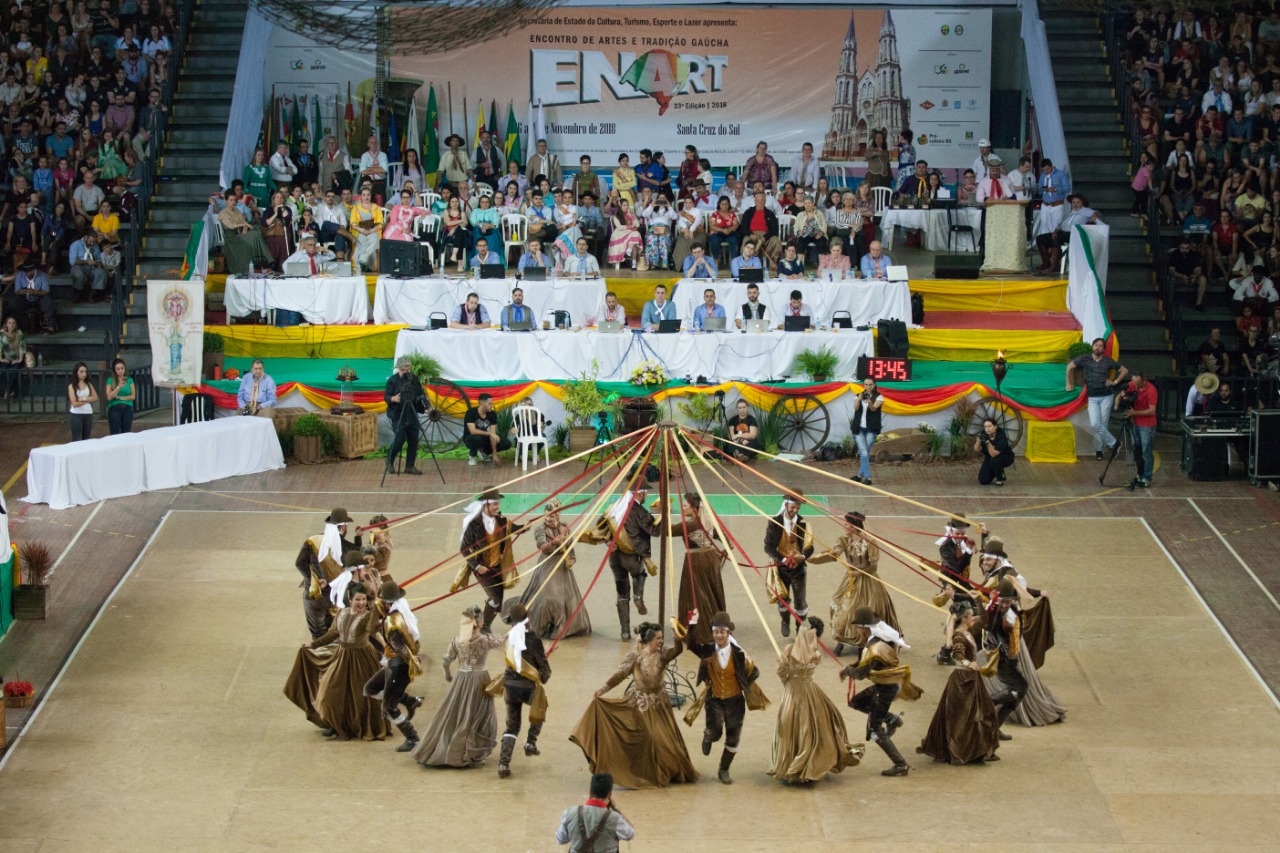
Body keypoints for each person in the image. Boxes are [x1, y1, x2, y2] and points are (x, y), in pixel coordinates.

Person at [570, 617, 698, 789]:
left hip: (660, 705)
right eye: (658, 638)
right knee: (651, 739)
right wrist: (603, 689)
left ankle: (668, 770)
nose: (661, 641)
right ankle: (648, 773)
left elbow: (678, 650)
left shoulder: (663, 654)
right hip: (641, 706)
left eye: (662, 638)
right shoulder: (635, 658)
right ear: (649, 640)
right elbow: (619, 675)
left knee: (667, 744)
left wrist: (677, 636)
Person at [770, 616, 862, 784]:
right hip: (810, 691)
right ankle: (809, 766)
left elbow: (782, 672)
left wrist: (789, 686)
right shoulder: (816, 653)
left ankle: (792, 766)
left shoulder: (790, 650)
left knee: (790, 727)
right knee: (816, 727)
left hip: (792, 692)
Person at [414, 605, 505, 768]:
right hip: (480, 680)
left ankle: (448, 748)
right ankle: (473, 753)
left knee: (454, 713)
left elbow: (446, 661)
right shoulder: (486, 640)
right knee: (479, 715)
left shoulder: (457, 641)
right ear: (481, 622)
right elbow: (503, 638)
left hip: (461, 678)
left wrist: (448, 675)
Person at [682, 609, 766, 784]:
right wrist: (693, 623)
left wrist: (743, 683)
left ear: (729, 633)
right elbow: (690, 644)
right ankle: (709, 736)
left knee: (733, 737)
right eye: (716, 632)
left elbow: (755, 671)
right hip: (714, 700)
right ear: (712, 633)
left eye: (722, 632)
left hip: (735, 702)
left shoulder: (739, 653)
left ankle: (724, 769)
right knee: (716, 730)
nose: (719, 635)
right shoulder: (706, 651)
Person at [916, 600, 1001, 765]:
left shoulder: (968, 631)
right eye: (970, 615)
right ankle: (966, 750)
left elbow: (984, 621)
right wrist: (968, 663)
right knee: (962, 718)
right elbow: (957, 654)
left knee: (982, 712)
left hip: (971, 679)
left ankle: (978, 749)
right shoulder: (959, 635)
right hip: (963, 680)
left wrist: (978, 600)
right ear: (964, 619)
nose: (973, 618)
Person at [301, 582, 388, 741]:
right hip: (342, 655)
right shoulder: (341, 613)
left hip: (363, 658)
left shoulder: (368, 616)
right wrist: (313, 644)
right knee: (330, 690)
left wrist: (387, 647)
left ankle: (363, 727)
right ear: (350, 600)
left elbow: (374, 633)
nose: (362, 603)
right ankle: (335, 724)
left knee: (360, 695)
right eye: (358, 600)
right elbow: (333, 633)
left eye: (363, 600)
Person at [839, 606, 920, 776]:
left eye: (858, 628)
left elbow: (861, 673)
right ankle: (891, 719)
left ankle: (900, 765)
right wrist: (850, 667)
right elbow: (863, 664)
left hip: (884, 689)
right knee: (856, 701)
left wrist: (848, 671)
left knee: (875, 730)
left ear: (864, 628)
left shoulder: (873, 648)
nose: (857, 630)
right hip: (885, 685)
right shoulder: (881, 640)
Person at [821, 511, 899, 652]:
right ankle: (842, 639)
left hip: (867, 580)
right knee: (840, 605)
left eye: (846, 523)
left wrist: (859, 572)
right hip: (850, 579)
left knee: (867, 609)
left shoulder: (869, 541)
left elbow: (874, 565)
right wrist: (833, 553)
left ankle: (865, 641)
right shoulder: (844, 539)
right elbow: (837, 550)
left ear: (854, 525)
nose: (844, 525)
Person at [361, 581, 424, 752]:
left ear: (385, 601)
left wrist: (410, 660)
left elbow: (398, 646)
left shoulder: (391, 621)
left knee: (389, 707)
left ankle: (413, 739)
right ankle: (409, 701)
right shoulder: (399, 613)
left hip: (398, 666)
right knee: (370, 688)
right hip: (393, 664)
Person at [517, 499, 592, 639]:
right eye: (546, 515)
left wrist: (572, 559)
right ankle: (540, 627)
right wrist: (553, 542)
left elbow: (570, 545)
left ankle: (560, 628)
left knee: (568, 598)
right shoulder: (540, 529)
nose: (548, 518)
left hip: (563, 566)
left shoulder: (565, 527)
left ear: (558, 516)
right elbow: (542, 546)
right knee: (548, 597)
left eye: (551, 516)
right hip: (548, 563)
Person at [458, 489, 528, 633]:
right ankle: (484, 626)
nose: (498, 507)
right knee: (495, 599)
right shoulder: (474, 525)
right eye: (495, 504)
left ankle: (481, 620)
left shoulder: (502, 521)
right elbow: (464, 548)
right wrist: (477, 566)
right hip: (482, 569)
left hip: (498, 567)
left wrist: (525, 527)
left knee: (499, 603)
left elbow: (514, 529)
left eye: (498, 504)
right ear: (486, 505)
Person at [600, 478, 661, 640]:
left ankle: (625, 631)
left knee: (621, 593)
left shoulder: (613, 507)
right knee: (639, 574)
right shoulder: (639, 511)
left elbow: (600, 525)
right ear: (640, 494)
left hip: (614, 557)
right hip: (631, 557)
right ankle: (638, 597)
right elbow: (655, 531)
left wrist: (608, 542)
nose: (647, 495)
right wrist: (660, 515)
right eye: (646, 492)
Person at [496, 602, 552, 779]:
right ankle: (530, 742)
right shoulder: (534, 640)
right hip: (528, 688)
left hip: (510, 686)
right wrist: (543, 676)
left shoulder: (510, 639)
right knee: (541, 706)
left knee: (512, 726)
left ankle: (503, 763)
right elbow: (544, 671)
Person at [293, 508, 361, 639]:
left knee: (318, 634)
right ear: (342, 527)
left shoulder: (313, 542)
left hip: (315, 596)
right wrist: (358, 538)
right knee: (335, 632)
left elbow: (299, 563)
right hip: (336, 597)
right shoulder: (347, 546)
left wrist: (314, 581)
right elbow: (357, 557)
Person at [1068, 337, 1129, 459]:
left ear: (1104, 349)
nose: (1098, 347)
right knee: (1095, 423)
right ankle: (1114, 444)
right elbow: (1070, 366)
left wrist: (1115, 381)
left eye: (1101, 346)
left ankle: (1099, 451)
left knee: (1103, 424)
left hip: (1106, 396)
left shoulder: (1107, 361)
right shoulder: (1085, 358)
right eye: (1096, 345)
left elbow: (1124, 370)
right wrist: (1068, 383)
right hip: (1092, 397)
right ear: (1093, 346)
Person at [764, 491, 814, 636]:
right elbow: (768, 547)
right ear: (785, 505)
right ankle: (785, 621)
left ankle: (800, 628)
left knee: (800, 601)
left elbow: (810, 547)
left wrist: (802, 557)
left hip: (799, 568)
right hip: (780, 568)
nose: (795, 510)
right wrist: (784, 559)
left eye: (798, 508)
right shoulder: (774, 523)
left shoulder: (804, 523)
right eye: (793, 507)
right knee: (782, 599)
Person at [984, 579, 1028, 741]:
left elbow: (1019, 630)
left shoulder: (1014, 611)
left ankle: (995, 726)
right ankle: (987, 702)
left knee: (1017, 692)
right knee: (1020, 688)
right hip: (1000, 659)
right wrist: (993, 605)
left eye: (1007, 601)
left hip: (1011, 658)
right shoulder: (994, 612)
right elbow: (989, 625)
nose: (1005, 605)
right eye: (1002, 601)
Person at [554, 773, 635, 851]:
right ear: (610, 795)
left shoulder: (570, 813)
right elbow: (630, 834)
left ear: (590, 792)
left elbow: (561, 839)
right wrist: (616, 809)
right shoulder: (615, 819)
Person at [384, 355, 426, 475]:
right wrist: (393, 398)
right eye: (404, 370)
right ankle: (390, 460)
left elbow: (420, 393)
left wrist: (422, 402)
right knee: (399, 439)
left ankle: (409, 466)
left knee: (413, 440)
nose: (407, 372)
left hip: (412, 412)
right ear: (398, 369)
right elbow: (386, 396)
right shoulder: (392, 380)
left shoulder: (414, 379)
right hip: (398, 413)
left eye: (408, 370)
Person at [1121, 371, 1158, 488]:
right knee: (1137, 450)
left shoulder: (1151, 390)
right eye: (1134, 383)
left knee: (1146, 452)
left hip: (1147, 425)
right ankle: (1140, 473)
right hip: (1135, 424)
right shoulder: (1133, 384)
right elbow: (1123, 393)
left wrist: (1134, 412)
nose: (1135, 386)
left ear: (1144, 379)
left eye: (1138, 384)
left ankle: (1147, 477)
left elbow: (1152, 410)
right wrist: (1118, 399)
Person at [851, 377, 884, 484]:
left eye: (870, 385)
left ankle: (860, 475)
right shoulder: (858, 395)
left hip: (871, 428)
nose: (868, 387)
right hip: (859, 428)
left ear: (874, 385)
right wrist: (857, 400)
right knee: (864, 453)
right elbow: (855, 409)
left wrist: (869, 402)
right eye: (866, 385)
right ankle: (868, 477)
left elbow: (874, 409)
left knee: (865, 453)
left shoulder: (879, 397)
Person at [5, 262, 56, 331]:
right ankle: (13, 326)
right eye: (26, 272)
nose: (27, 273)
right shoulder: (20, 275)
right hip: (25, 299)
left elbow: (46, 291)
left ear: (33, 270)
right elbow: (17, 291)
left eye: (29, 271)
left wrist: (35, 291)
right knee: (13, 302)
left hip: (38, 299)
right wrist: (22, 291)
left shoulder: (42, 275)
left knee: (48, 301)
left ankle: (51, 326)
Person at [463, 392, 512, 464]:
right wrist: (490, 433)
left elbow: (493, 433)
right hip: (470, 438)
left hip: (485, 439)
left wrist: (494, 454)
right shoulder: (471, 413)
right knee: (477, 438)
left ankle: (484, 453)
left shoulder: (492, 414)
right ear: (482, 403)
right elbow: (473, 431)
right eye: (490, 404)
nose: (492, 406)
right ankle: (472, 456)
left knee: (506, 443)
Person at [974, 417, 1015, 486]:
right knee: (983, 480)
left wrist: (988, 443)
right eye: (985, 427)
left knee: (994, 461)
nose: (987, 428)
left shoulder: (1001, 436)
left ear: (995, 426)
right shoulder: (983, 433)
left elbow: (994, 454)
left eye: (989, 426)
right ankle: (997, 471)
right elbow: (977, 450)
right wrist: (978, 441)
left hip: (1005, 457)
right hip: (990, 457)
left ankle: (1000, 478)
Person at [68, 231, 107, 301]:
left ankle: (92, 294)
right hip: (78, 266)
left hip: (92, 267)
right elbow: (73, 261)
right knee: (78, 274)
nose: (92, 243)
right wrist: (86, 261)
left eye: (93, 242)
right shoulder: (76, 244)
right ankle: (78, 293)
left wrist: (99, 263)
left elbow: (98, 258)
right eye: (90, 241)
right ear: (86, 237)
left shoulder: (95, 245)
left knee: (101, 273)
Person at [606, 198, 643, 269]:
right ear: (620, 206)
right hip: (620, 234)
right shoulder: (616, 216)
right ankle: (633, 263)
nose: (626, 207)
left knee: (635, 235)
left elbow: (637, 225)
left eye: (627, 205)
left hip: (631, 233)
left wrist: (631, 215)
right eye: (624, 205)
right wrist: (630, 226)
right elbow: (619, 227)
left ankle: (629, 251)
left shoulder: (631, 215)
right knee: (635, 236)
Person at [66, 361, 97, 440]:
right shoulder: (72, 386)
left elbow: (95, 397)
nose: (84, 374)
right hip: (76, 414)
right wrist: (88, 400)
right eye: (81, 371)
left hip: (88, 413)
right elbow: (74, 403)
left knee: (86, 438)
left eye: (85, 372)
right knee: (76, 438)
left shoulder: (88, 384)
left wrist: (83, 399)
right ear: (76, 372)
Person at [103, 356, 134, 434]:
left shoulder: (129, 380)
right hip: (115, 407)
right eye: (118, 369)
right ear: (114, 370)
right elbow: (109, 397)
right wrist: (118, 387)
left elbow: (133, 396)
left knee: (126, 433)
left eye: (122, 368)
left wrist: (120, 397)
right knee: (115, 433)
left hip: (127, 407)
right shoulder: (110, 380)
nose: (120, 371)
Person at [0, 316, 26, 399]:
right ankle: (12, 390)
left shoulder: (19, 333)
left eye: (13, 323)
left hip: (17, 358)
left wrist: (20, 359)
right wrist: (1, 358)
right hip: (6, 357)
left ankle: (8, 390)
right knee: (3, 369)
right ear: (6, 324)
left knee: (14, 370)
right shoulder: (2, 334)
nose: (12, 325)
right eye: (9, 323)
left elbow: (22, 346)